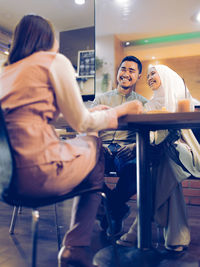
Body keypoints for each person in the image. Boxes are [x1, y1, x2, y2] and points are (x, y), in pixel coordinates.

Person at [0, 15, 143, 267]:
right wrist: (119, 111)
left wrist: (92, 115)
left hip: (6, 182)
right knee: (94, 145)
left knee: (91, 152)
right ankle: (76, 245)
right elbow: (83, 124)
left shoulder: (4, 73)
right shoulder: (53, 61)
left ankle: (100, 210)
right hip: (38, 174)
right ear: (49, 39)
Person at [116, 64, 200, 252]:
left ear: (166, 76)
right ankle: (177, 236)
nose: (149, 77)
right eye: (147, 75)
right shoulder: (149, 105)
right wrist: (143, 144)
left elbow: (177, 132)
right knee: (163, 165)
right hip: (163, 155)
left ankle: (138, 227)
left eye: (153, 73)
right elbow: (151, 134)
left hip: (185, 151)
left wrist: (148, 144)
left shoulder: (184, 100)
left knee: (162, 159)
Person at [91, 56, 148, 236]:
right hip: (104, 149)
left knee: (137, 171)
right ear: (117, 73)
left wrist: (133, 147)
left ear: (138, 76)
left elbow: (148, 133)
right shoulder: (100, 99)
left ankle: (111, 208)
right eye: (123, 69)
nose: (126, 73)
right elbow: (89, 124)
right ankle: (117, 210)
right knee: (85, 168)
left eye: (132, 71)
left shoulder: (144, 103)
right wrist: (99, 144)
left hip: (127, 151)